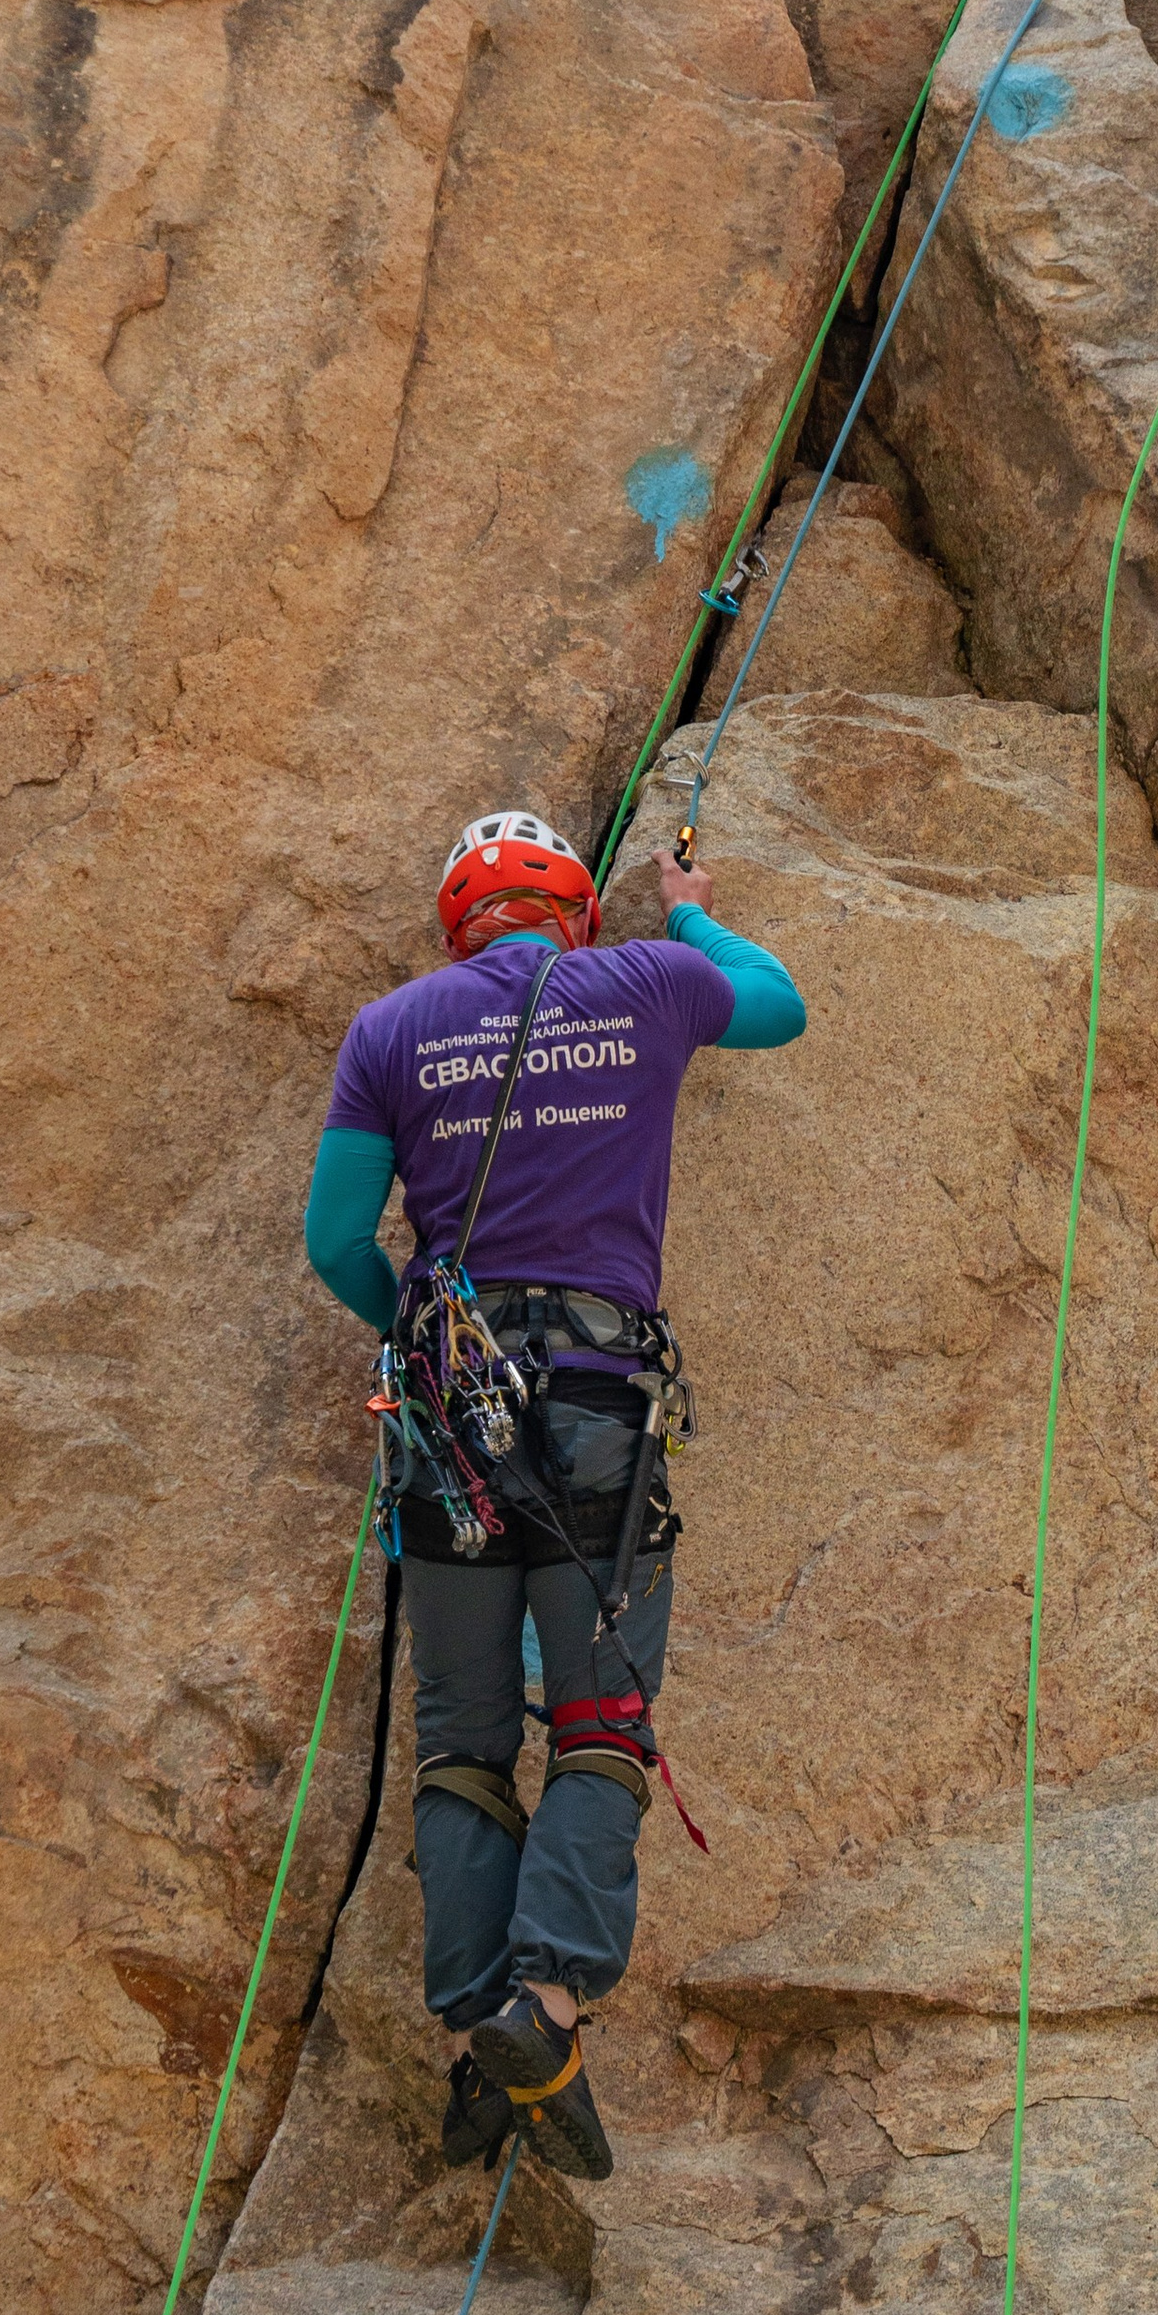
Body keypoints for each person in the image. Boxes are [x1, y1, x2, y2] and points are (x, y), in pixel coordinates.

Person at [305, 808, 806, 2180]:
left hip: (447, 1424)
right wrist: (692, 909)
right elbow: (781, 1005)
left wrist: (404, 1333)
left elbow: (335, 1235)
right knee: (600, 1723)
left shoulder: (393, 1028)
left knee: (463, 1736)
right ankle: (547, 2005)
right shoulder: (646, 979)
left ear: (458, 921)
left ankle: (481, 2044)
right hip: (596, 1408)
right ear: (573, 912)